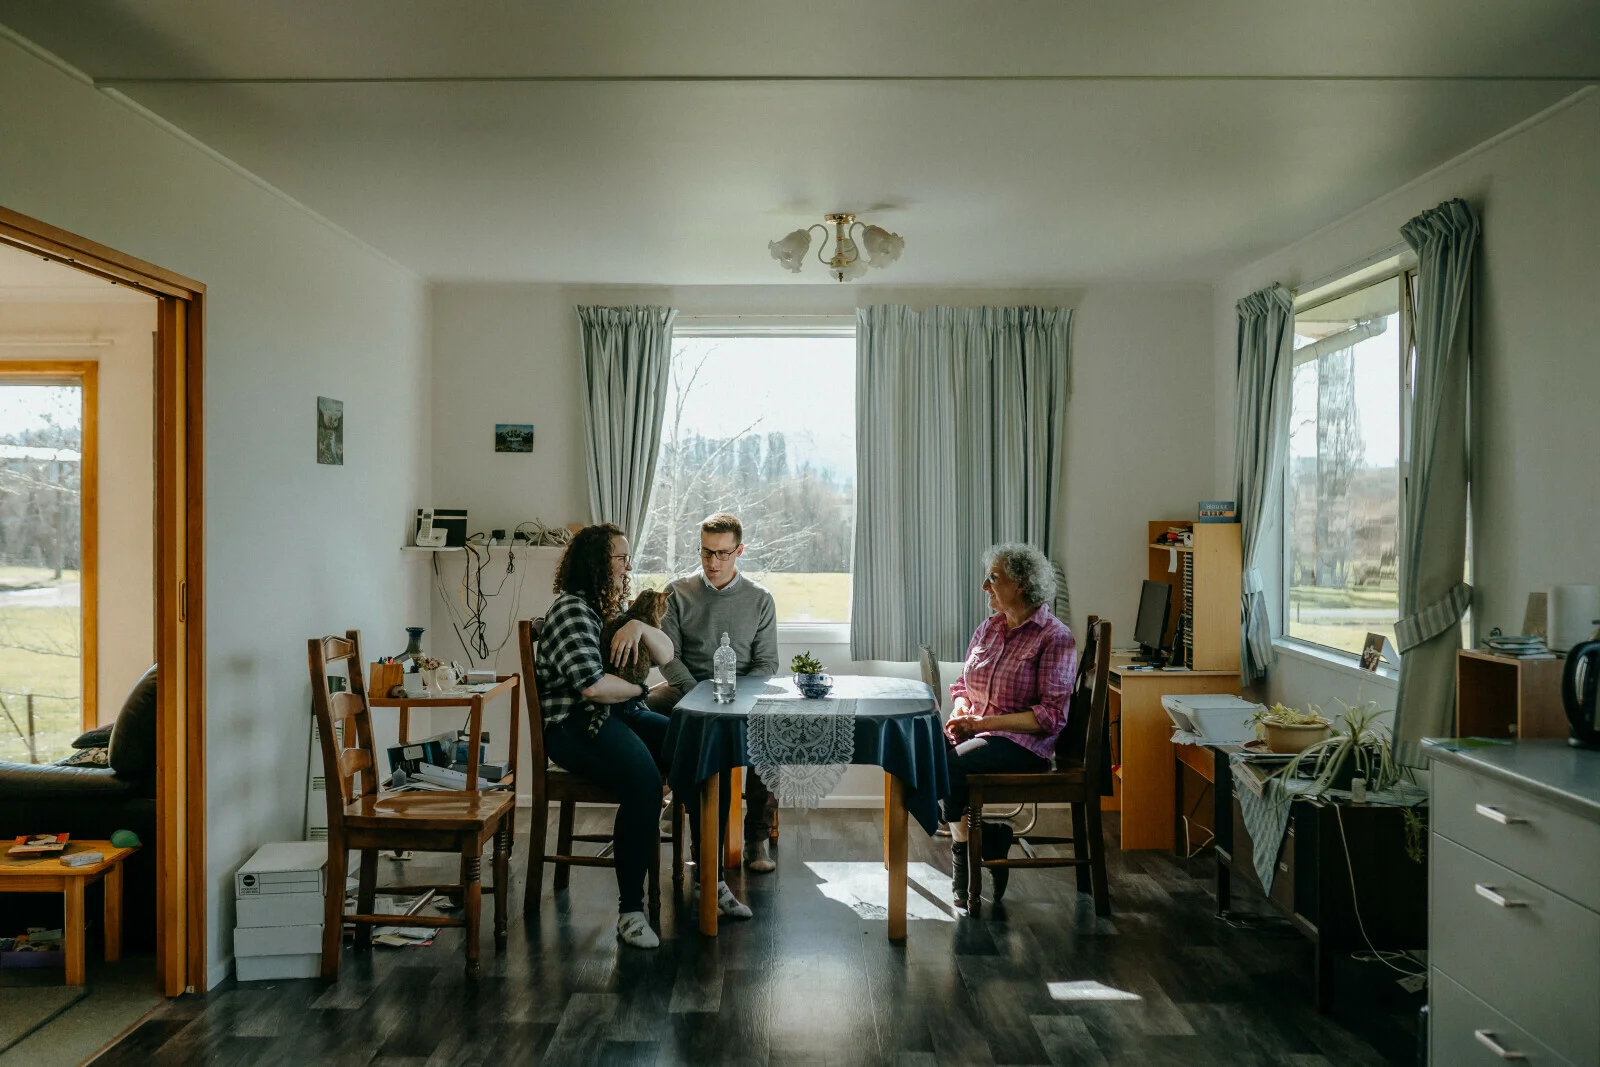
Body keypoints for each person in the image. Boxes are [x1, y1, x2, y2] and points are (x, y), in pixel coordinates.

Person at [535, 522, 681, 948]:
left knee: (691, 746)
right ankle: (630, 912)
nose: (628, 567)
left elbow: (666, 654)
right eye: (621, 558)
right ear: (599, 563)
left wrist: (639, 628)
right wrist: (640, 690)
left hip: (616, 714)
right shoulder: (572, 612)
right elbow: (593, 687)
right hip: (574, 725)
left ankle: (712, 882)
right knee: (644, 781)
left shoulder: (607, 610)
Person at [643, 512, 782, 875]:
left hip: (743, 693)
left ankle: (756, 836)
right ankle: (673, 795)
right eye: (706, 552)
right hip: (687, 689)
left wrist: (738, 696)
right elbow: (668, 657)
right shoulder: (678, 592)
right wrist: (697, 693)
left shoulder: (760, 598)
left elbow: (767, 663)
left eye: (722, 553)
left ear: (739, 551)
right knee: (642, 709)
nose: (713, 562)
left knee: (772, 729)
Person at [942, 542, 1077, 909]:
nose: (985, 586)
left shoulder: (1055, 637)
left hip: (1023, 745)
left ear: (1021, 584)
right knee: (920, 753)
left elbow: (1051, 716)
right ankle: (986, 837)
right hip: (979, 732)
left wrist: (980, 723)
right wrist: (961, 709)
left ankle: (962, 854)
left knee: (948, 766)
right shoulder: (989, 628)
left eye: (994, 578)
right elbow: (962, 684)